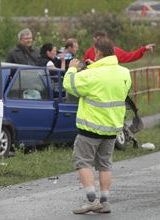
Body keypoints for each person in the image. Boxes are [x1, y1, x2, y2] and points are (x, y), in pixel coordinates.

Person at [63, 38, 131, 214]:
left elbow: (69, 85)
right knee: (105, 164)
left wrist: (72, 68)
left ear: (98, 53)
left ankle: (90, 200)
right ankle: (104, 202)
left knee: (83, 161)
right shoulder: (124, 73)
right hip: (112, 128)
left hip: (90, 128)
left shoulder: (90, 75)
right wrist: (94, 66)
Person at [83, 31, 155, 64]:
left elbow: (129, 56)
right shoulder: (89, 52)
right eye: (97, 40)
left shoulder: (115, 50)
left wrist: (144, 49)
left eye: (101, 39)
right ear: (94, 39)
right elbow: (84, 67)